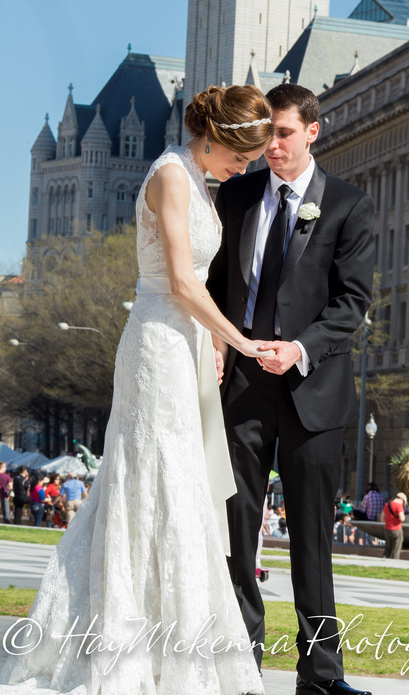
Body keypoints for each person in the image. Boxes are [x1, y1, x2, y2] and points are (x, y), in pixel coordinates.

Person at [0, 84, 274, 695]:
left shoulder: (198, 179)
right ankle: (124, 643)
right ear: (218, 137)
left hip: (186, 343)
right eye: (243, 153)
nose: (246, 165)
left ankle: (168, 639)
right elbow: (179, 280)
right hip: (157, 339)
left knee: (180, 481)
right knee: (152, 478)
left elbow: (196, 280)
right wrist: (244, 339)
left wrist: (216, 343)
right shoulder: (173, 176)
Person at [207, 82, 375, 695]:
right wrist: (223, 348)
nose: (270, 145)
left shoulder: (349, 206)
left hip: (314, 391)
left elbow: (352, 303)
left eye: (281, 133)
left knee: (310, 537)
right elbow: (217, 283)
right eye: (264, 134)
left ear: (312, 131)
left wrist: (299, 348)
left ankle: (322, 674)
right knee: (236, 527)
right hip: (243, 387)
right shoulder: (236, 194)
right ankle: (239, 660)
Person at [380, 492, 407, 560]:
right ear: (401, 499)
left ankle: (383, 561)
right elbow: (402, 518)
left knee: (387, 548)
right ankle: (395, 563)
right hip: (397, 529)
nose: (403, 504)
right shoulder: (399, 506)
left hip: (387, 529)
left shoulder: (386, 505)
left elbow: (382, 519)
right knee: (396, 550)